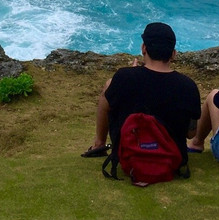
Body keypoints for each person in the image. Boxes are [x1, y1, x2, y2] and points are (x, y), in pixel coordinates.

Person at [82, 22, 201, 165]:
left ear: (144, 48)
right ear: (173, 54)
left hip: (130, 157)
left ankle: (99, 144)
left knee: (110, 85)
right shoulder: (188, 86)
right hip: (171, 160)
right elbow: (191, 133)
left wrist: (132, 75)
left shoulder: (124, 77)